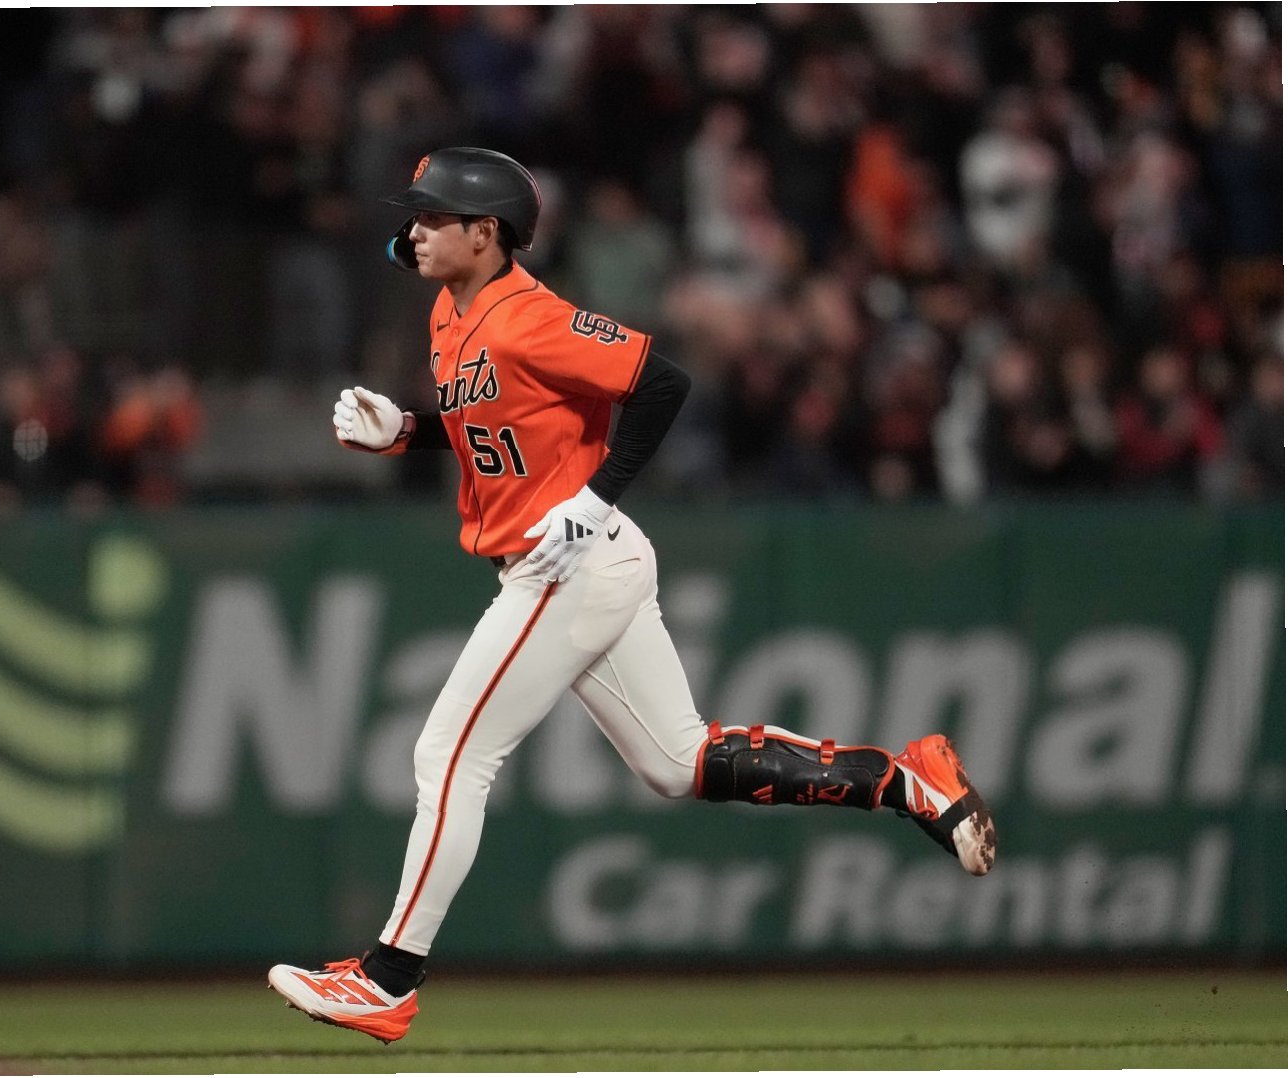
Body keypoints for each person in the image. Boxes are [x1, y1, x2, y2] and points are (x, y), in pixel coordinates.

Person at [267, 148, 998, 1043]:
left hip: (566, 566)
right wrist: (409, 432)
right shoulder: (451, 309)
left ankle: (389, 978)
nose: (412, 230)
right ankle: (902, 781)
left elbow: (663, 384)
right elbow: (499, 428)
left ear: (485, 233)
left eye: (431, 215)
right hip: (576, 563)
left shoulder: (529, 316)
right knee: (678, 764)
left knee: (450, 757)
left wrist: (596, 497)